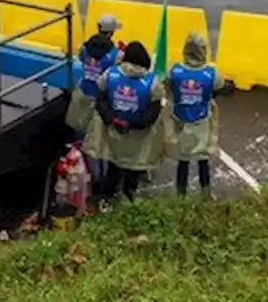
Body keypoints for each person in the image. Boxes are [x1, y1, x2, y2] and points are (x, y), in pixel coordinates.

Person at [86, 40, 164, 203]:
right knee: (133, 170)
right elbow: (154, 111)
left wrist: (111, 119)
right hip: (138, 137)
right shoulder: (152, 82)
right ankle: (128, 200)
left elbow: (100, 100)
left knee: (114, 167)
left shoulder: (110, 74)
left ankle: (106, 200)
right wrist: (134, 124)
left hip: (114, 133)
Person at [165, 31, 225, 197]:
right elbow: (219, 87)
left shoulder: (174, 70)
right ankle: (206, 193)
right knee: (203, 159)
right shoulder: (211, 73)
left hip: (180, 120)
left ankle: (180, 194)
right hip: (202, 121)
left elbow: (167, 85)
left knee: (182, 161)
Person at [65, 14, 123, 180]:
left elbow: (83, 59)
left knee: (80, 135)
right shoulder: (114, 54)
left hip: (83, 93)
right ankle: (99, 177)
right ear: (111, 33)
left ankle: (81, 169)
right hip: (100, 100)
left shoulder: (84, 48)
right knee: (99, 141)